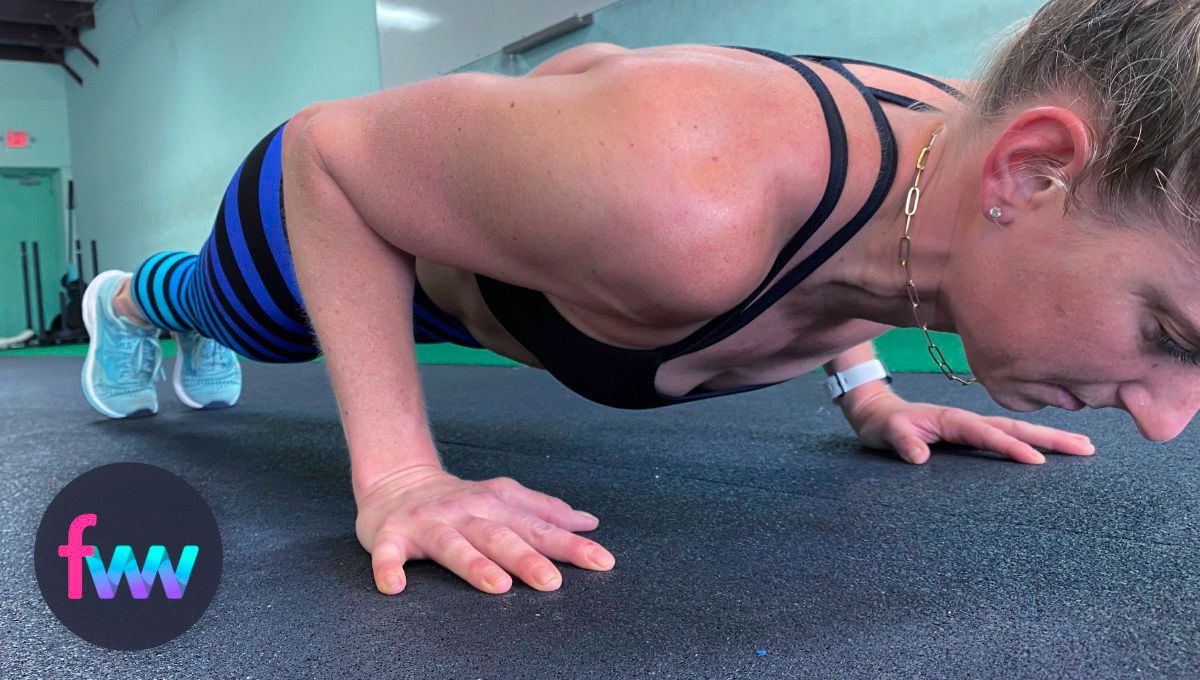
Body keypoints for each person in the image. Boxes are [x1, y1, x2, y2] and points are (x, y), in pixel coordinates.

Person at [79, 0, 1200, 597]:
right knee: (238, 316)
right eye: (1167, 335)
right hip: (343, 213)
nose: (1167, 419)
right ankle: (131, 304)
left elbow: (872, 249)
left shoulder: (975, 163)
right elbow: (329, 155)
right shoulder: (686, 202)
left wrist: (867, 394)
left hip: (547, 212)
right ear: (1032, 174)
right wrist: (403, 479)